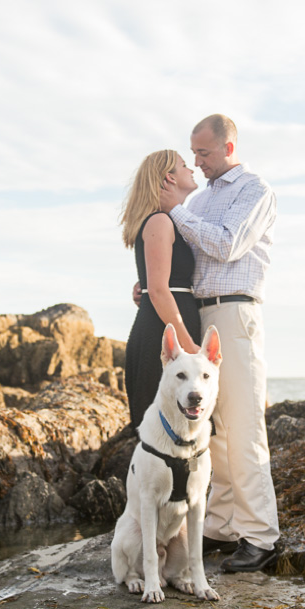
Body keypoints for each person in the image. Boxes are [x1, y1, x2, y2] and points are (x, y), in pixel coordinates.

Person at [167, 113, 279, 573]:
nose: (197, 160)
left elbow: (227, 245)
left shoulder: (255, 190)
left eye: (204, 153)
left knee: (245, 424)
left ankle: (260, 536)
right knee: (215, 430)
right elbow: (186, 252)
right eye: (193, 152)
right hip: (200, 310)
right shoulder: (203, 196)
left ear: (229, 147)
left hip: (235, 311)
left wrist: (176, 210)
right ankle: (221, 524)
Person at [120, 150, 202, 429]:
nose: (191, 169)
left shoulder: (171, 221)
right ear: (170, 177)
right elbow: (157, 291)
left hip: (168, 325)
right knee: (160, 433)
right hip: (162, 333)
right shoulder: (160, 221)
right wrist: (189, 348)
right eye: (183, 165)